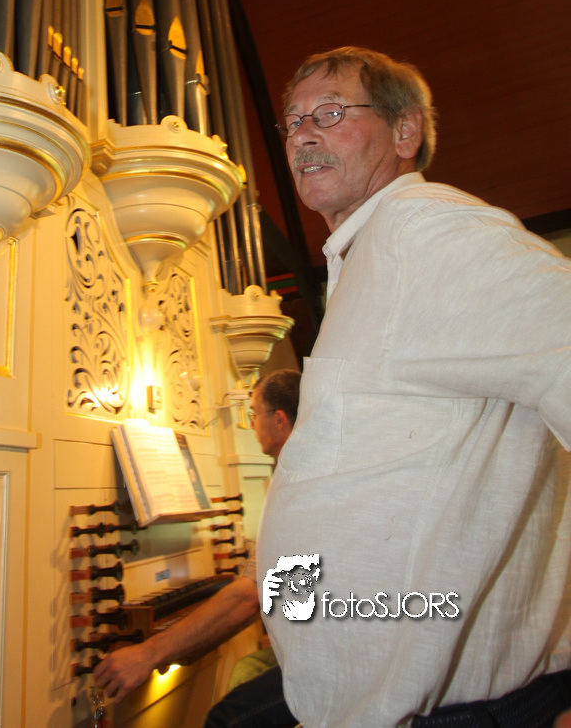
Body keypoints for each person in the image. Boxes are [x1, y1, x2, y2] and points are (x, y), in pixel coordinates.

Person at [258, 46, 571, 728]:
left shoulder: (422, 229)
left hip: (462, 712)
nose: (302, 136)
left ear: (406, 132)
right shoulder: (365, 256)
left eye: (331, 113)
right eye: (292, 121)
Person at [93, 369, 300, 726]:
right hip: (337, 638)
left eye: (254, 413)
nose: (251, 424)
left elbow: (249, 596)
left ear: (279, 420)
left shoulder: (295, 486)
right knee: (247, 670)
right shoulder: (302, 471)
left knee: (226, 719)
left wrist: (148, 653)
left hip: (338, 654)